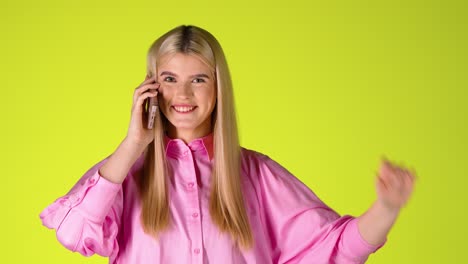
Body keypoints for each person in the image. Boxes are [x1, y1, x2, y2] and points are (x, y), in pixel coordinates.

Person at [39, 25, 416, 263]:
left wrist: (386, 208)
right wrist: (133, 142)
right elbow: (72, 233)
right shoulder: (127, 173)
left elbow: (334, 247)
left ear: (219, 88)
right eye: (169, 78)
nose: (182, 94)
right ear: (151, 86)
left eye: (199, 80)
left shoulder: (256, 173)